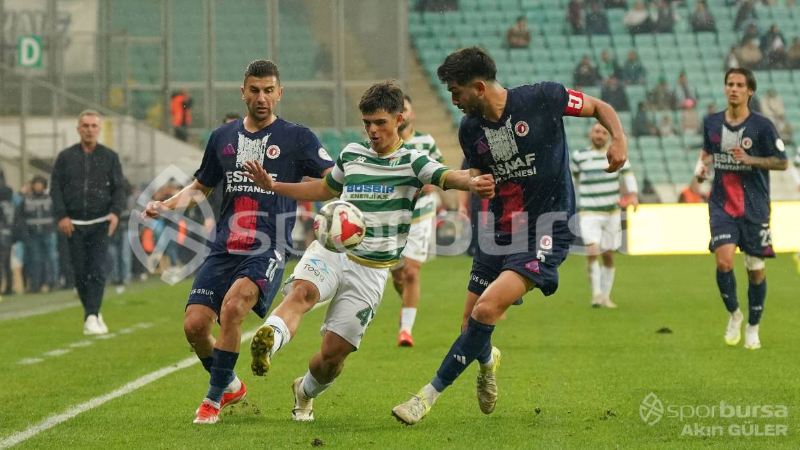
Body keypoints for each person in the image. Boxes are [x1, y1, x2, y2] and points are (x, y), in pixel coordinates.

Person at [391, 46, 627, 425]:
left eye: (456, 92)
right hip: (500, 231)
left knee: (486, 310)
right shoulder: (471, 130)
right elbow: (480, 177)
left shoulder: (543, 98)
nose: (452, 101)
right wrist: (476, 184)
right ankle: (487, 361)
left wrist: (618, 139)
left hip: (548, 228)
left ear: (479, 87)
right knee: (471, 326)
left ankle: (424, 397)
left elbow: (600, 106)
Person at [243, 80, 494, 422]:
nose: (373, 131)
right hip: (333, 252)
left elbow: (446, 176)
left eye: (380, 123)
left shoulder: (412, 160)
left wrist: (474, 181)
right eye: (367, 124)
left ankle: (304, 390)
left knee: (332, 358)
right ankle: (269, 342)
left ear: (398, 119)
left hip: (371, 270)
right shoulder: (352, 154)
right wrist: (273, 186)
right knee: (303, 292)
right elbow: (324, 188)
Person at [141, 59, 334, 425]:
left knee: (233, 309)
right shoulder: (222, 137)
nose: (262, 98)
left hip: (268, 244)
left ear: (280, 93)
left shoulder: (298, 138)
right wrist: (165, 205)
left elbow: (330, 181)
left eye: (268, 90)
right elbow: (201, 185)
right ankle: (229, 384)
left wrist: (281, 188)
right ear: (243, 92)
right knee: (195, 326)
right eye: (255, 90)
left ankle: (212, 401)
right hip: (224, 245)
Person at [694, 68, 788, 351]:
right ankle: (735, 314)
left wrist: (751, 160)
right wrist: (700, 168)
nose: (733, 89)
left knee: (755, 269)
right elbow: (707, 151)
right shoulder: (711, 122)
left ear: (750, 91)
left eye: (739, 85)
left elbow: (781, 162)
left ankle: (753, 326)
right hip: (722, 205)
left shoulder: (762, 126)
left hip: (755, 206)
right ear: (725, 89)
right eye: (729, 84)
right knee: (724, 263)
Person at [51, 110, 125, 335]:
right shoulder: (65, 157)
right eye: (86, 126)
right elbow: (55, 188)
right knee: (80, 272)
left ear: (99, 129)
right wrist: (61, 215)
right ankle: (92, 312)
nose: (90, 129)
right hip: (73, 223)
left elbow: (119, 188)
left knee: (97, 269)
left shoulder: (110, 156)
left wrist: (115, 213)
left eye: (94, 126)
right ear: (78, 129)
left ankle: (91, 315)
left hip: (101, 221)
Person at [390, 94, 444, 347]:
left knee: (412, 272)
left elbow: (439, 170)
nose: (401, 112)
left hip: (421, 215)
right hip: (392, 217)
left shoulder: (426, 142)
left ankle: (406, 330)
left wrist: (431, 184)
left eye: (405, 108)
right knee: (399, 276)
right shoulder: (383, 143)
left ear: (411, 114)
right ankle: (406, 304)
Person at [571, 123, 637, 308]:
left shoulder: (616, 155)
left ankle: (606, 296)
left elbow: (629, 175)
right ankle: (596, 295)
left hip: (611, 212)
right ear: (590, 133)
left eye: (603, 132)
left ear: (609, 136)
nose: (599, 135)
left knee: (608, 254)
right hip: (589, 211)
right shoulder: (579, 157)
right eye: (597, 131)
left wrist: (633, 195)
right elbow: (574, 181)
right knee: (593, 251)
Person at [17, 175, 56, 293]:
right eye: (36, 184)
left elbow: (56, 214)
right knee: (35, 260)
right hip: (33, 235)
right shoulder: (27, 200)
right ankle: (36, 285)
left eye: (40, 184)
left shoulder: (50, 198)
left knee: (50, 258)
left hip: (48, 232)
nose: (38, 186)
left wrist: (54, 228)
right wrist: (25, 232)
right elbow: (20, 216)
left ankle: (51, 282)